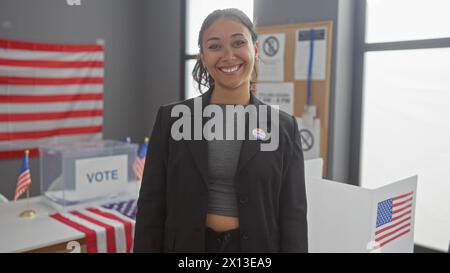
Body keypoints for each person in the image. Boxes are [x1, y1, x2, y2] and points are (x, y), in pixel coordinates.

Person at [134, 8, 308, 253]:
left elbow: (294, 216)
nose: (228, 55)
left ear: (255, 49)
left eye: (238, 43)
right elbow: (151, 206)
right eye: (215, 46)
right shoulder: (171, 120)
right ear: (203, 57)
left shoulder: (283, 126)